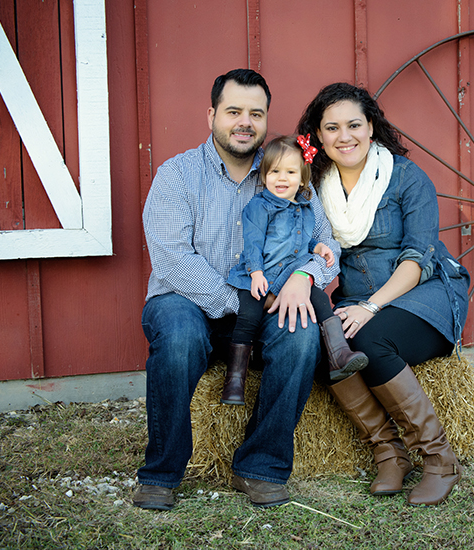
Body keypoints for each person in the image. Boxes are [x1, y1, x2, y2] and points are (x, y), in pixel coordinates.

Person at [134, 69, 340, 511]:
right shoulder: (178, 174)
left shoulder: (286, 172)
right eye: (233, 111)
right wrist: (241, 302)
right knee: (179, 337)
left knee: (302, 335)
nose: (244, 122)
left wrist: (307, 277)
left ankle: (260, 466)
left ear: (266, 121)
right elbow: (172, 258)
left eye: (255, 114)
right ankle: (162, 474)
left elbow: (327, 247)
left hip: (265, 304)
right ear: (212, 115)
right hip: (184, 300)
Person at [297, 82, 471, 506]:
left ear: (371, 127)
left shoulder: (406, 178)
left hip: (424, 295)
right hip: (357, 300)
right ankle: (389, 453)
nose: (345, 136)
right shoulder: (314, 186)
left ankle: (439, 459)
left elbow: (417, 258)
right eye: (332, 127)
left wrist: (371, 307)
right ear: (319, 136)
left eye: (354, 124)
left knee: (370, 341)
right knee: (319, 342)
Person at [222, 135, 368, 405]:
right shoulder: (259, 207)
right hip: (259, 278)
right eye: (274, 171)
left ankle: (339, 354)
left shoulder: (304, 208)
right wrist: (255, 273)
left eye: (290, 172)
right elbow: (252, 243)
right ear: (264, 176)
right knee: (248, 317)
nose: (281, 178)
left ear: (302, 179)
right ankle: (234, 380)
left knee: (321, 299)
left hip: (289, 277)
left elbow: (301, 240)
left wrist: (317, 248)